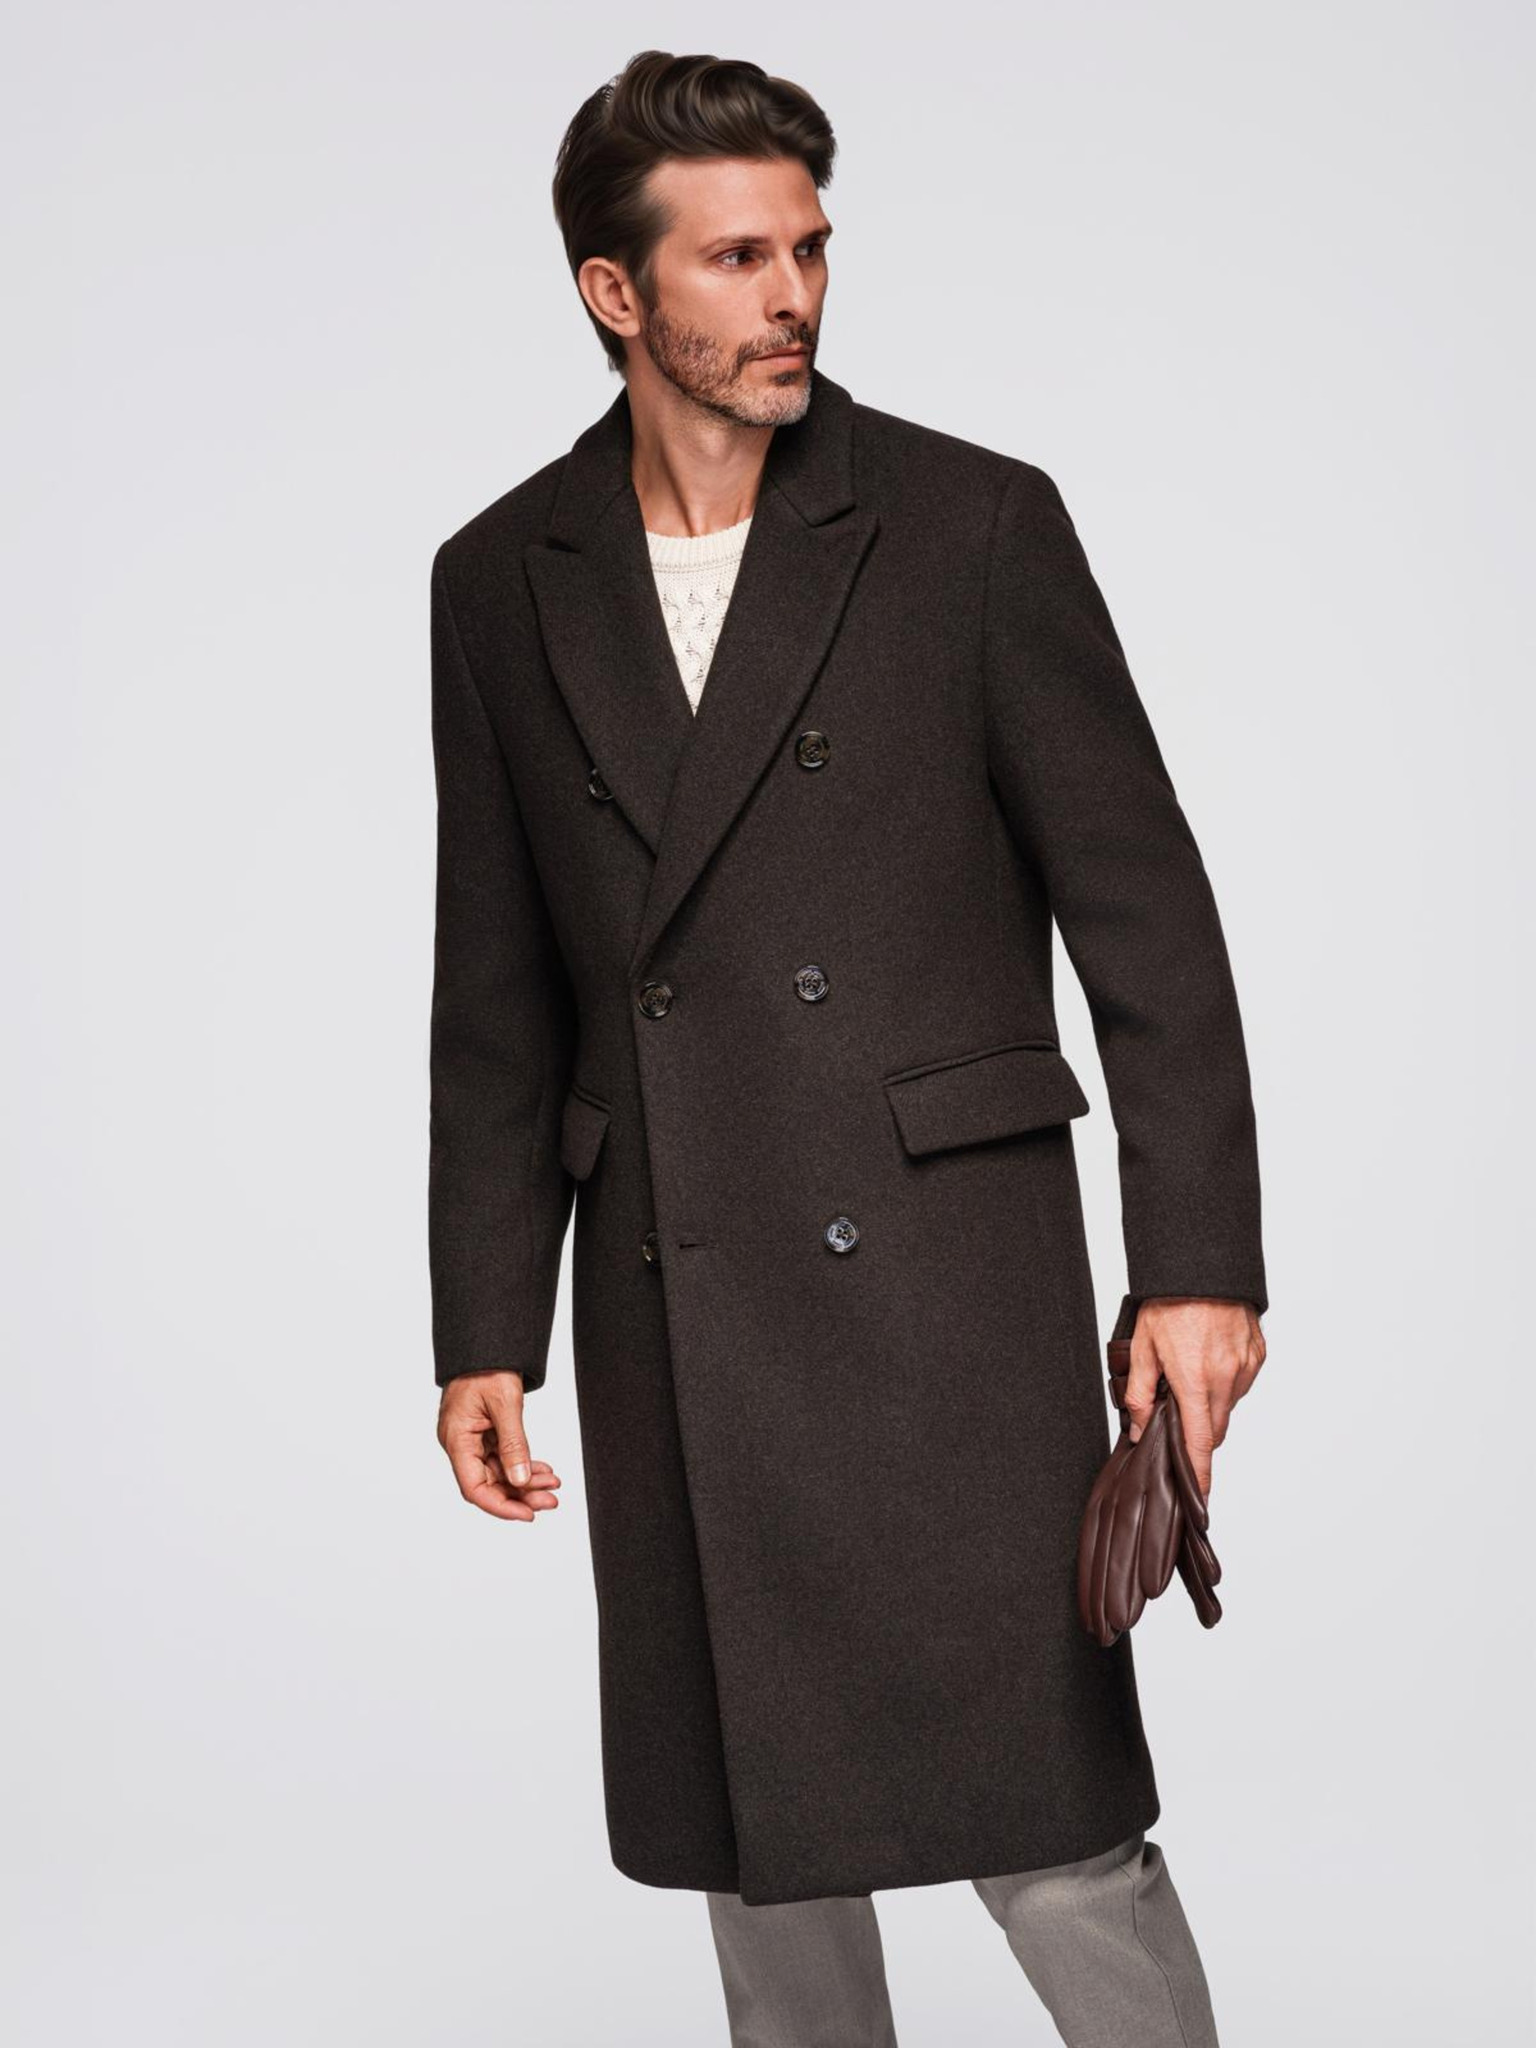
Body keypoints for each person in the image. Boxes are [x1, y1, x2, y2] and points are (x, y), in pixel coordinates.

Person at [427, 48, 1267, 2047]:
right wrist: (485, 1323)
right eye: (735, 257)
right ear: (614, 291)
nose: (792, 291)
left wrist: (1201, 1265)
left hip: (944, 1290)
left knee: (1052, 1827)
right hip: (679, 1284)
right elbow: (498, 991)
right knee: (760, 1841)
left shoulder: (967, 524)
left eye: (808, 246)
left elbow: (1148, 919)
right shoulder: (502, 576)